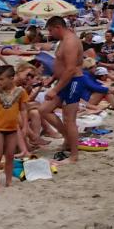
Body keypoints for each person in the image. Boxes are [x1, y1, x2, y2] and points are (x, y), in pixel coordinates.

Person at [40, 16, 90, 163]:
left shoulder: (70, 42)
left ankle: (74, 155)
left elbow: (70, 69)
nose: (50, 34)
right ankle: (68, 138)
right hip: (64, 81)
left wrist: (55, 89)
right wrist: (53, 77)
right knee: (43, 110)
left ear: (58, 27)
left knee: (69, 120)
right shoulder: (63, 41)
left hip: (73, 82)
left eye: (50, 30)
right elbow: (61, 65)